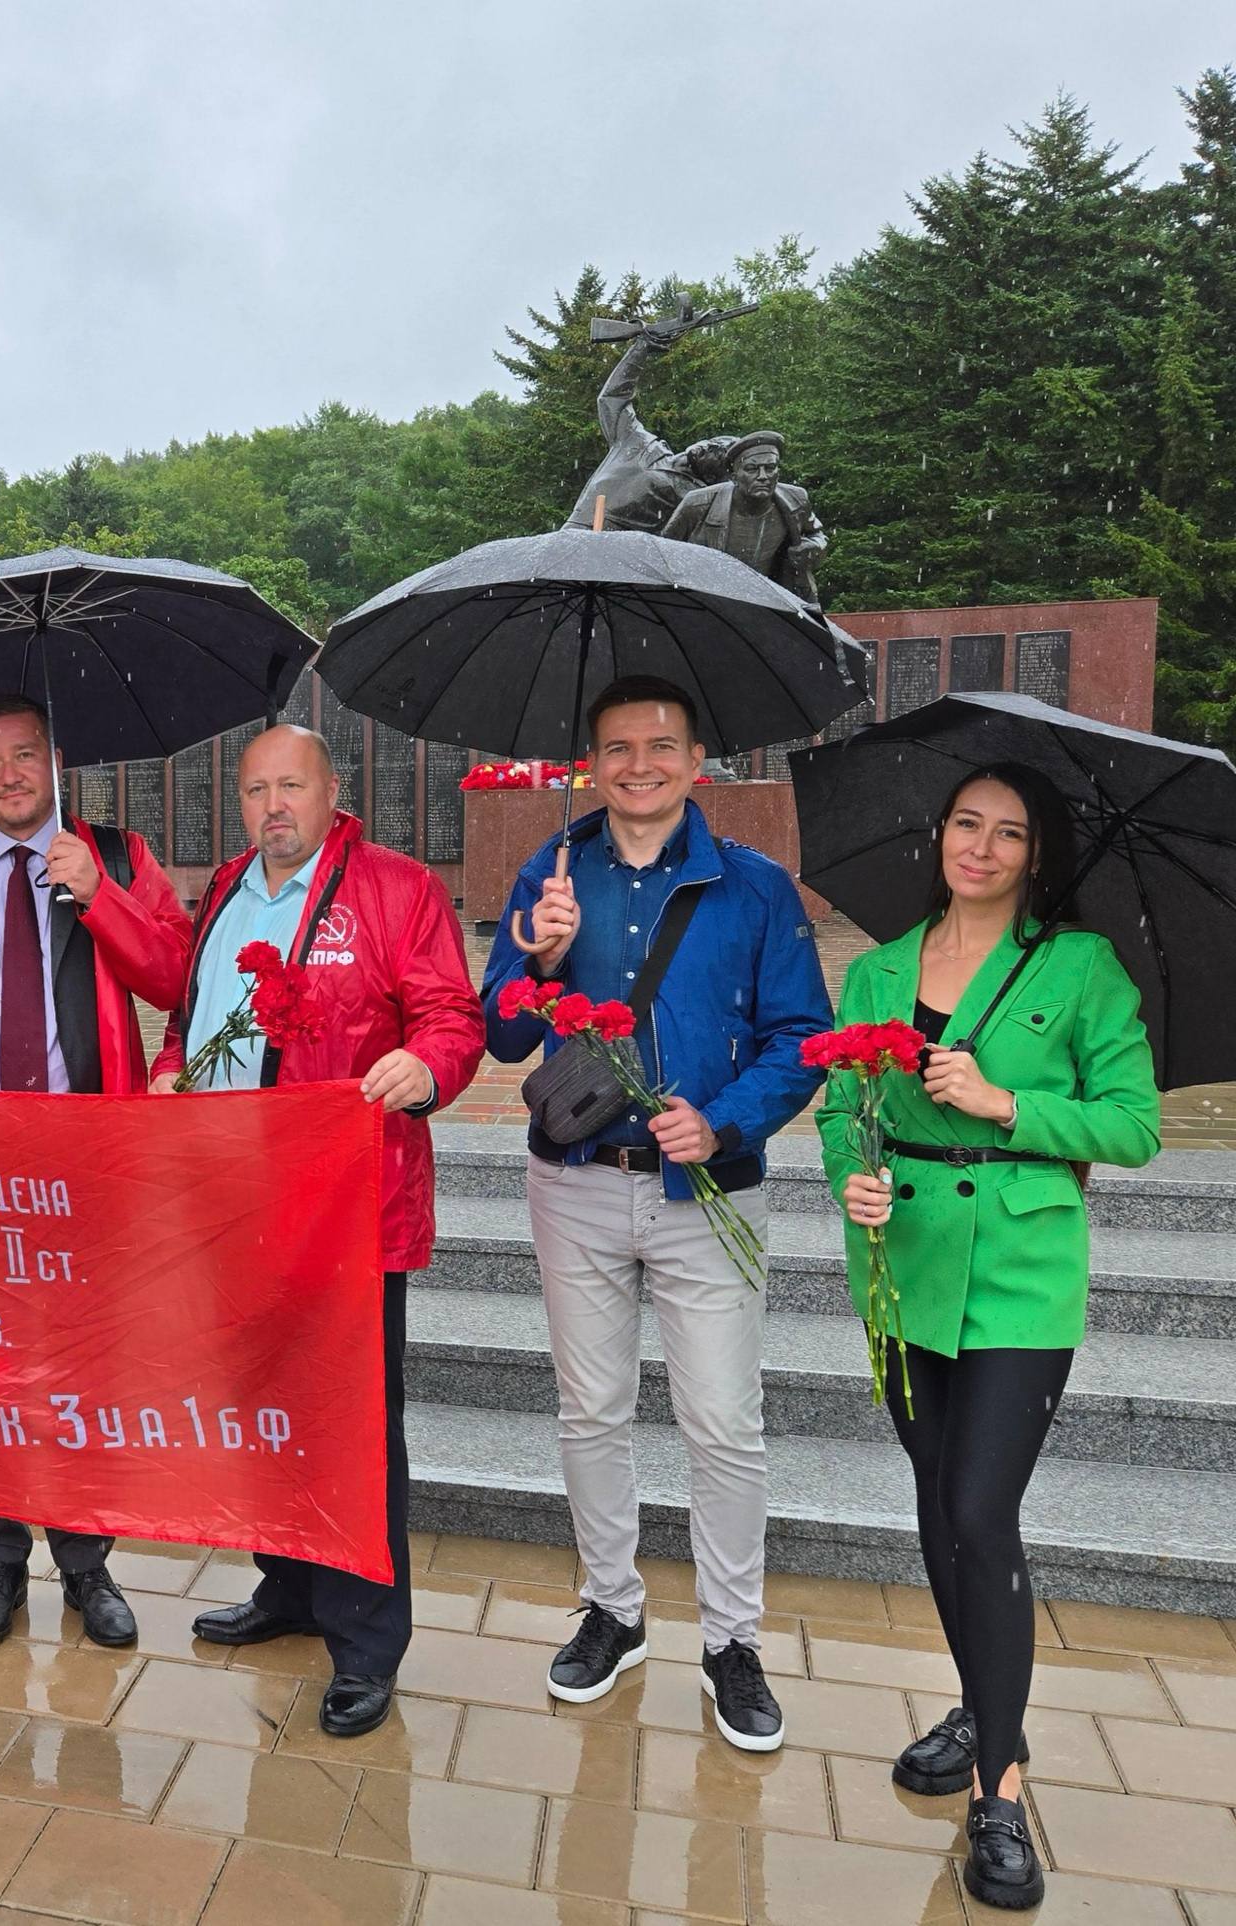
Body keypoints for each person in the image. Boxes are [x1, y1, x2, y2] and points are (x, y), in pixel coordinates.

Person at [819, 763, 1158, 1912]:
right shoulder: (874, 970)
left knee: (978, 1509)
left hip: (1020, 1268)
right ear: (939, 835)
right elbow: (841, 1110)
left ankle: (998, 1788)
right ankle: (981, 1699)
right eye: (966, 823)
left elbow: (1133, 1126)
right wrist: (852, 1177)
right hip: (903, 1264)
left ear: (1034, 854)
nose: (980, 846)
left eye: (1008, 833)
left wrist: (1004, 1104)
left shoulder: (1078, 966)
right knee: (934, 1500)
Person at [480, 674, 831, 1752]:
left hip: (706, 1192)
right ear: (591, 764)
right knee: (590, 1411)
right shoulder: (550, 872)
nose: (640, 764)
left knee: (721, 1424)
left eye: (662, 745)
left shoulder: (754, 886)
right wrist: (538, 958)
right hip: (576, 1182)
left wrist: (723, 1123)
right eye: (619, 747)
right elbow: (500, 1032)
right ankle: (613, 1609)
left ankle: (732, 1640)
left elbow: (801, 1037)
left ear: (695, 761)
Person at [150, 725, 484, 1737]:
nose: (273, 807)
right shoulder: (225, 890)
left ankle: (366, 1643)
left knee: (351, 1428)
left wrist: (426, 1066)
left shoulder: (394, 890)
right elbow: (190, 1017)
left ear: (333, 789)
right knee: (263, 1408)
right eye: (255, 790)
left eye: (290, 785)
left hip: (345, 1208)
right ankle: (288, 1586)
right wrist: (168, 1071)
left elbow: (451, 1016)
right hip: (234, 1204)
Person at [0, 694, 193, 1649]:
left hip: (87, 1164)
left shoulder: (120, 857)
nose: (10, 774)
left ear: (57, 760)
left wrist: (99, 896)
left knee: (81, 1368)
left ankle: (87, 1560)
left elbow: (177, 978)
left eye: (25, 754)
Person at [566, 314, 738, 533]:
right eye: (716, 441)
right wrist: (641, 348)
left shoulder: (695, 497)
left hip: (621, 547)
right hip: (574, 532)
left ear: (716, 476)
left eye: (721, 452)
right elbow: (612, 399)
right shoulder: (641, 442)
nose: (713, 445)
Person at [660, 430, 829, 606]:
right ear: (734, 477)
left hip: (770, 601)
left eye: (770, 468)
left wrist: (813, 548)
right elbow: (662, 552)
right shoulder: (697, 504)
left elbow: (817, 535)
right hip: (706, 600)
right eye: (752, 469)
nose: (763, 476)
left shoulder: (796, 500)